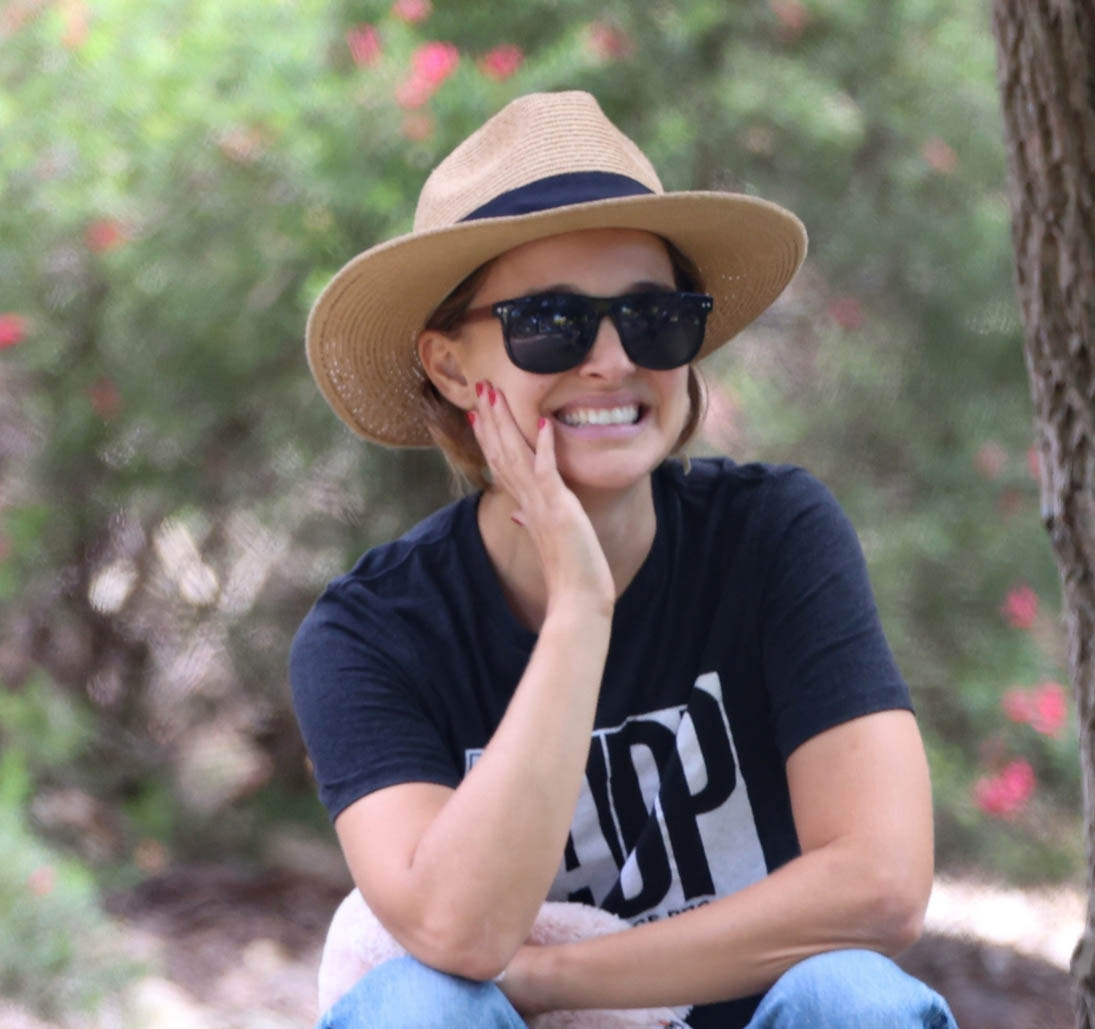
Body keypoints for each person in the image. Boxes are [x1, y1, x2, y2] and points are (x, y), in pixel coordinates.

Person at [291, 90, 958, 1029]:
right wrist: (580, 609)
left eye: (654, 316)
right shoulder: (373, 632)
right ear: (450, 367)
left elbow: (882, 888)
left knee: (857, 1000)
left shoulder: (771, 535)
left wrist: (556, 978)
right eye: (549, 322)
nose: (611, 360)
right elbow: (456, 933)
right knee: (410, 1007)